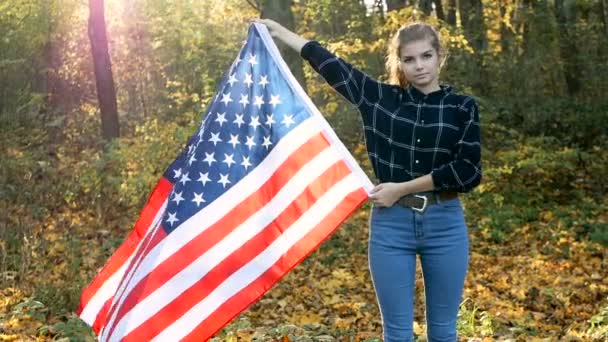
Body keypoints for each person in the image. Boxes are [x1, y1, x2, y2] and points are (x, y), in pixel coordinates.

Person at [256, 18, 482, 342]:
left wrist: (402, 189)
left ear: (439, 56)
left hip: (445, 224)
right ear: (399, 63)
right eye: (409, 59)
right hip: (392, 226)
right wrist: (279, 33)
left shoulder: (462, 107)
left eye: (426, 56)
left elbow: (468, 172)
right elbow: (332, 66)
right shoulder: (380, 99)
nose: (419, 66)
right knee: (397, 333)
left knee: (444, 331)